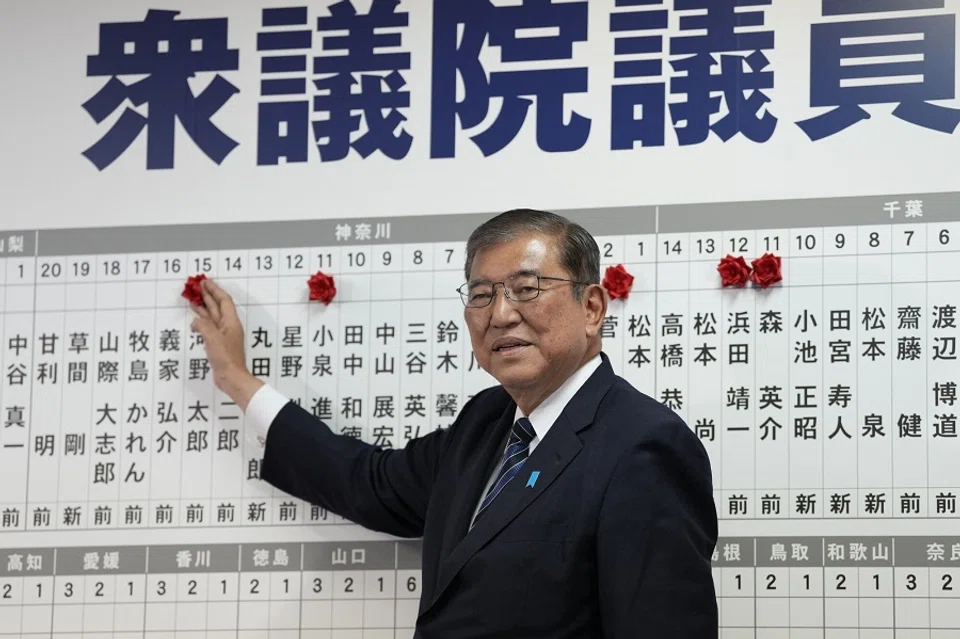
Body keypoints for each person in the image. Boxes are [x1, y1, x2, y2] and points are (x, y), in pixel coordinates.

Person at [190, 209, 718, 638]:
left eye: (527, 288)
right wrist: (236, 379)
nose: (500, 314)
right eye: (482, 294)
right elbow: (367, 483)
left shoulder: (643, 446)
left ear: (593, 307)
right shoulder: (483, 424)